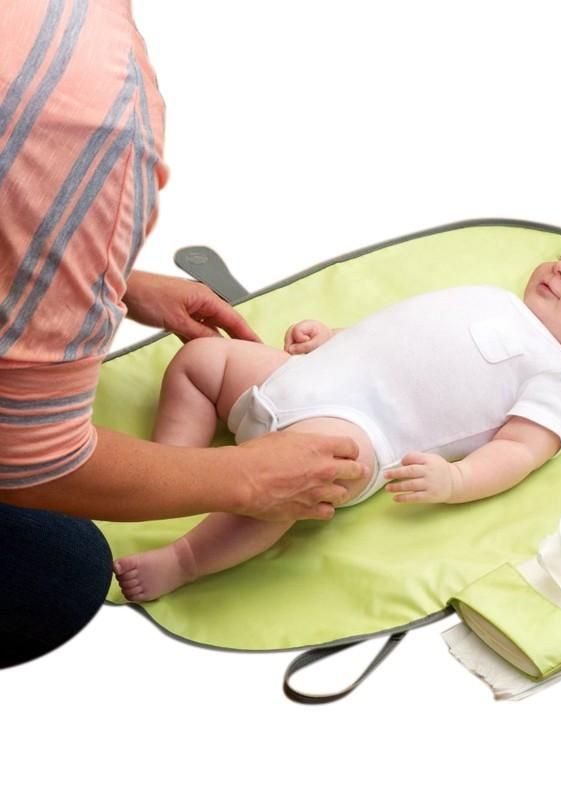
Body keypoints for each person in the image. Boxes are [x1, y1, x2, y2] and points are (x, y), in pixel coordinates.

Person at [0, 0, 364, 668]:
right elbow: (30, 462)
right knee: (57, 570)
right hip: (305, 413)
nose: (559, 270)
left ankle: (179, 526)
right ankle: (183, 546)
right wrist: (243, 478)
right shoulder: (91, 107)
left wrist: (103, 276)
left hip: (343, 420)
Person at [114, 224, 561, 602]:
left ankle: (185, 558)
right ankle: (172, 464)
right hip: (299, 376)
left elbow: (519, 450)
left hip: (355, 431)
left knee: (297, 484)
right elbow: (397, 335)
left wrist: (456, 479)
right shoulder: (495, 298)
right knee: (201, 359)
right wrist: (333, 338)